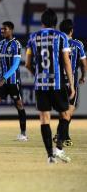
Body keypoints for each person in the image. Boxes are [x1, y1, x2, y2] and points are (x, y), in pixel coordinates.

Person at [25, 8, 75, 164]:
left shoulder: (33, 37)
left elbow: (27, 64)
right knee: (65, 115)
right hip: (58, 83)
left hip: (41, 85)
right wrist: (71, 84)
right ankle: (59, 149)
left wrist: (37, 74)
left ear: (42, 22)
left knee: (44, 119)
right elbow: (66, 61)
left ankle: (49, 156)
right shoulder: (61, 37)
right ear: (55, 23)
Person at [53, 19, 86, 146]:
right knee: (69, 112)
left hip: (59, 81)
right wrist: (83, 75)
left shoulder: (56, 43)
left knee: (63, 111)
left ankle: (59, 134)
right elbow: (84, 63)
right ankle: (64, 136)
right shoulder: (78, 44)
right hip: (71, 83)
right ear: (71, 31)